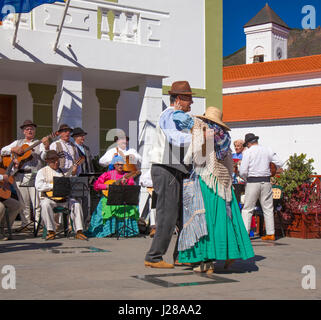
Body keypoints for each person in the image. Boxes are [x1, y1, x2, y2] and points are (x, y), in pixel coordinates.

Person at [177, 107, 255, 273]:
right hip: (224, 183)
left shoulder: (205, 134)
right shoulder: (225, 137)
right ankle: (229, 253)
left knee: (205, 220)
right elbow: (228, 163)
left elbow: (192, 157)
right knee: (226, 219)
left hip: (207, 182)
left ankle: (207, 261)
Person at [144, 80, 194, 269]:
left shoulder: (178, 116)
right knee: (168, 214)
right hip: (165, 168)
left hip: (175, 169)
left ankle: (180, 254)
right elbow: (175, 138)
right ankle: (154, 256)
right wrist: (198, 136)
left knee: (181, 214)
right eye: (189, 98)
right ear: (179, 99)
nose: (191, 103)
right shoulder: (169, 114)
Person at [1, 120, 50, 230]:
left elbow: (44, 157)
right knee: (24, 202)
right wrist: (13, 149)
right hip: (20, 175)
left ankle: (38, 225)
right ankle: (25, 224)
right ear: (23, 131)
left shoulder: (39, 143)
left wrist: (46, 147)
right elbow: (3, 151)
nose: (29, 131)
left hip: (35, 175)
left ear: (34, 131)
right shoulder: (18, 142)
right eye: (27, 129)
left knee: (36, 202)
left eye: (31, 129)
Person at [239, 133, 284, 241]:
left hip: (252, 181)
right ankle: (270, 233)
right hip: (266, 181)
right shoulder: (267, 149)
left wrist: (245, 179)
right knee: (268, 208)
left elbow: (243, 171)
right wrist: (272, 168)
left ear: (248, 143)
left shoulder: (248, 152)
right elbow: (281, 163)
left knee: (247, 209)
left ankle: (245, 234)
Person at [35, 150, 87, 240]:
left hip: (64, 199)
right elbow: (38, 186)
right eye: (53, 161)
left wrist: (73, 172)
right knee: (45, 204)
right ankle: (51, 231)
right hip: (50, 199)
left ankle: (79, 231)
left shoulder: (63, 171)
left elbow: (71, 182)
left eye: (57, 160)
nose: (56, 162)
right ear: (47, 161)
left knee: (76, 204)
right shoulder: (42, 171)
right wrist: (53, 186)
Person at [85, 155, 140, 238]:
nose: (120, 166)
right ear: (114, 165)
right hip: (109, 198)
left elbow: (131, 187)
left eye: (122, 164)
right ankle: (108, 230)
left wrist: (126, 183)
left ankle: (124, 230)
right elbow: (96, 185)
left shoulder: (127, 175)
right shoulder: (107, 174)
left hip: (122, 199)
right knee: (106, 204)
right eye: (118, 164)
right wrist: (107, 186)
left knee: (131, 206)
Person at [0, 173, 23, 239]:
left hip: (1, 196)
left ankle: (3, 228)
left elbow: (9, 174)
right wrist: (2, 177)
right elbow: (3, 177)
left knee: (17, 205)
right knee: (1, 207)